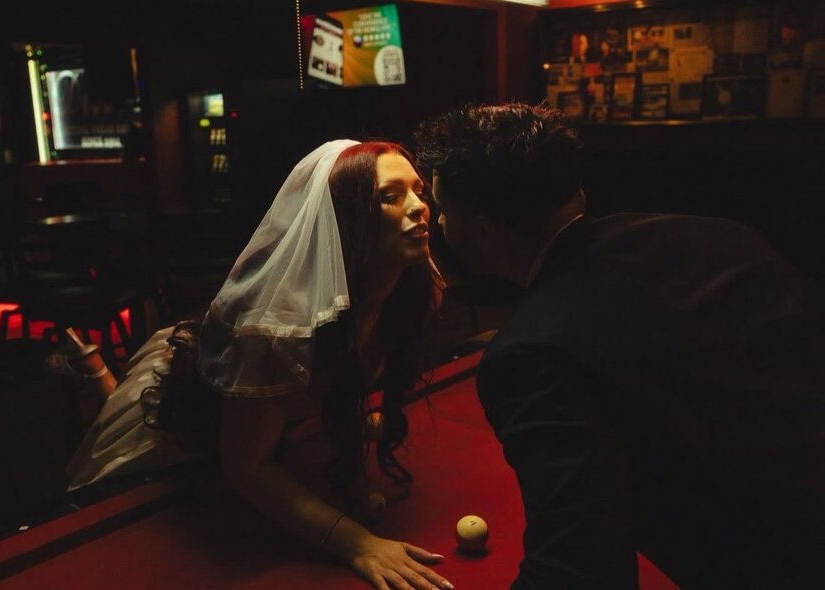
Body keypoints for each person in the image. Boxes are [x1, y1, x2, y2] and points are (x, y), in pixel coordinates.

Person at [414, 102, 825, 589]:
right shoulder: (721, 236)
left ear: (482, 232)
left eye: (442, 210)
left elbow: (582, 569)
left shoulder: (529, 354)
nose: (436, 223)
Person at [66, 140, 454, 590]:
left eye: (419, 191)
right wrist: (358, 543)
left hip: (252, 409)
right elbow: (246, 466)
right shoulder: (270, 334)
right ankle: (93, 370)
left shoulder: (417, 295)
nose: (418, 207)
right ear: (348, 219)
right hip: (178, 415)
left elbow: (337, 378)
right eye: (390, 196)